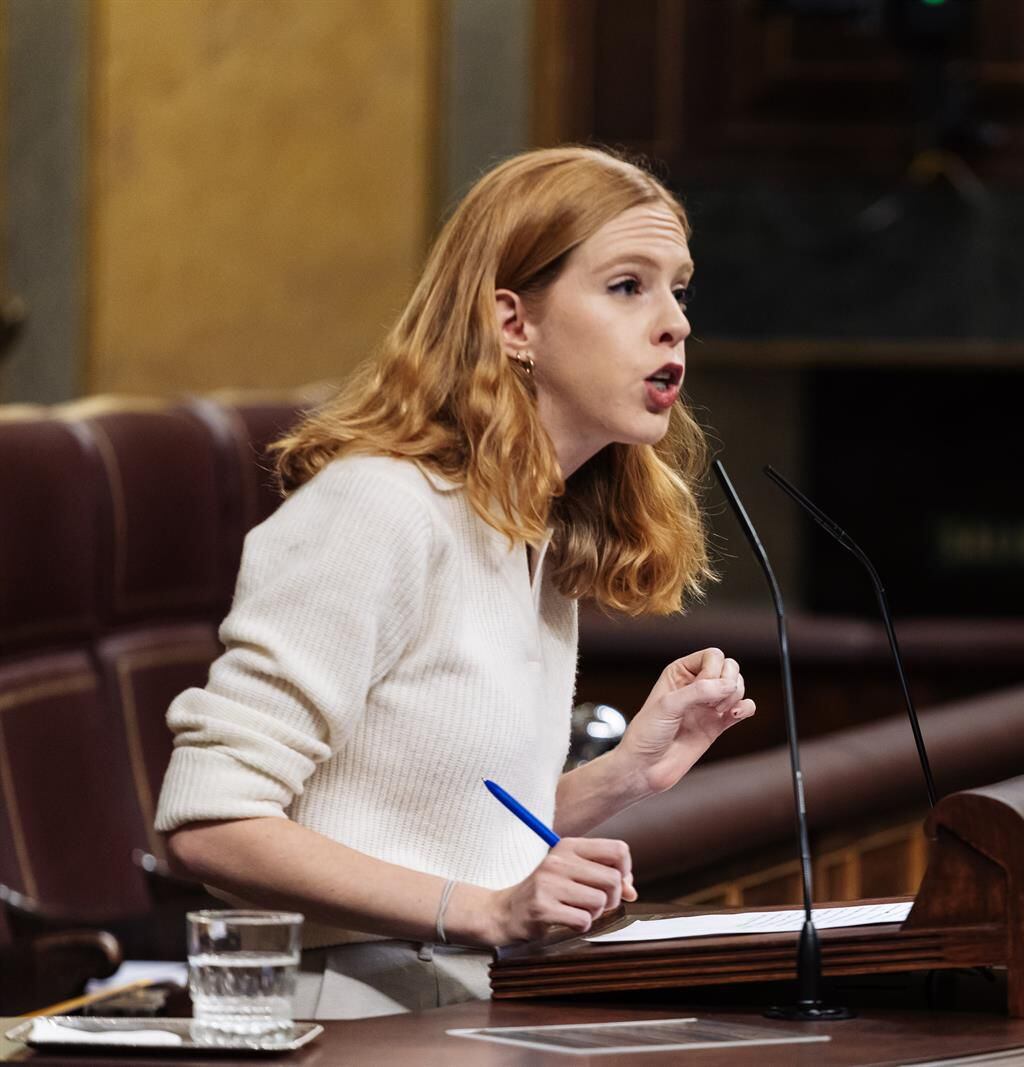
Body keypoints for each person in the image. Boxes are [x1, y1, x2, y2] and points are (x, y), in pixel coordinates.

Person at [153, 146, 754, 1020]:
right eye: (629, 286)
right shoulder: (377, 507)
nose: (675, 324)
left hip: (451, 996)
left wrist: (626, 774)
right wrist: (485, 911)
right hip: (338, 1015)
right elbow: (209, 821)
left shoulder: (532, 529)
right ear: (515, 324)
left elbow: (433, 827)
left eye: (679, 290)